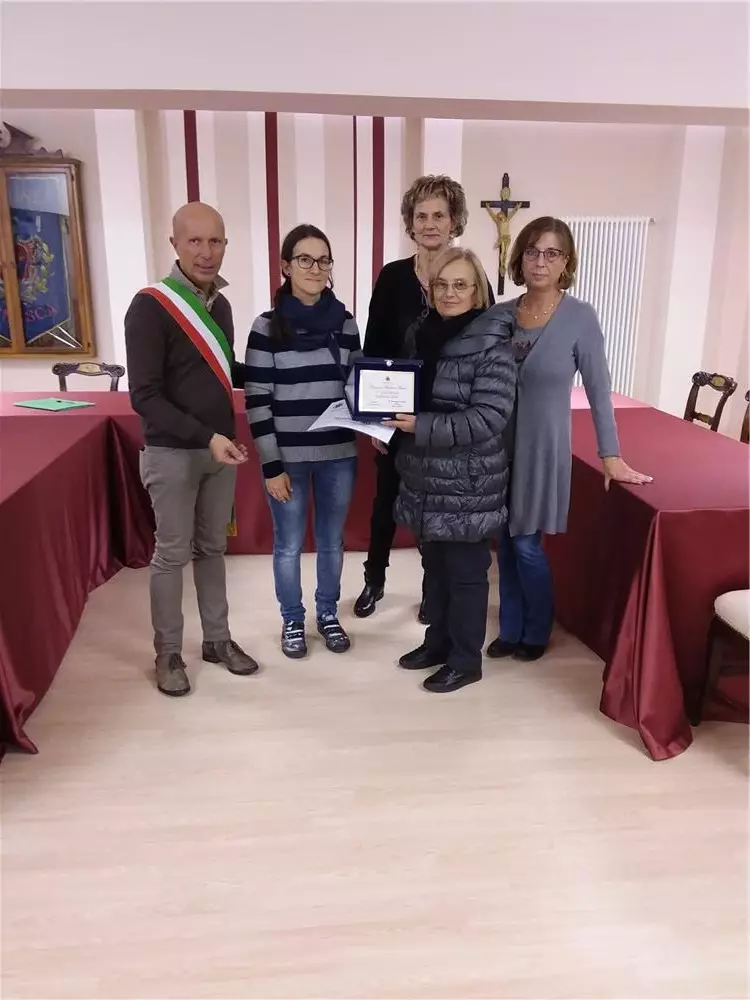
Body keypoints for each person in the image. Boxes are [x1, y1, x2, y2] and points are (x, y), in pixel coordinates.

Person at [485, 217, 653, 662]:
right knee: (504, 542)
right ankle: (510, 627)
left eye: (551, 253)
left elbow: (599, 390)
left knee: (526, 544)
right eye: (532, 251)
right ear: (520, 258)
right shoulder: (500, 315)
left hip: (543, 450)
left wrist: (611, 454)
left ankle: (536, 629)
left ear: (566, 262)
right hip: (497, 448)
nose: (540, 261)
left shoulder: (580, 317)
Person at [124, 202, 259, 697]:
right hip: (173, 453)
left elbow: (223, 372)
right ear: (175, 244)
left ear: (225, 245)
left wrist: (278, 370)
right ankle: (168, 653)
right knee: (171, 555)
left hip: (219, 454)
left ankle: (217, 640)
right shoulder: (150, 306)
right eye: (195, 241)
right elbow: (144, 396)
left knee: (213, 550)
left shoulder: (220, 307)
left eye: (215, 241)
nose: (206, 252)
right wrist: (207, 437)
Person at [354, 174, 495, 622]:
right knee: (386, 499)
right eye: (421, 216)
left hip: (450, 416)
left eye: (439, 215)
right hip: (395, 411)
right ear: (410, 222)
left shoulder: (470, 275)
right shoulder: (393, 277)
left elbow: (487, 338)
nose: (429, 224)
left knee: (437, 508)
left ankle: (432, 593)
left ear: (455, 221)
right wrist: (375, 421)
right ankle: (374, 579)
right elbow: (374, 347)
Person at [386, 248, 516, 694]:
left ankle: (465, 660)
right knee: (435, 569)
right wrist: (384, 419)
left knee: (465, 575)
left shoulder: (494, 347)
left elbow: (488, 418)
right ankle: (437, 643)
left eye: (460, 285)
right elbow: (407, 394)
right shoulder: (422, 333)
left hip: (468, 482)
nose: (449, 293)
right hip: (425, 476)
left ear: (478, 291)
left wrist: (420, 425)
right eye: (441, 284)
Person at [245, 224, 361, 659]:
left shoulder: (345, 323)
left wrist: (381, 415)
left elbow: (358, 386)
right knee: (288, 545)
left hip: (338, 454)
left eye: (324, 260)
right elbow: (257, 399)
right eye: (305, 259)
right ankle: (292, 618)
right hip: (287, 458)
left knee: (332, 541)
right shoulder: (266, 326)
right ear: (286, 266)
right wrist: (271, 465)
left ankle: (327, 613)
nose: (316, 268)